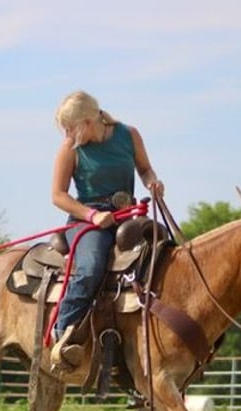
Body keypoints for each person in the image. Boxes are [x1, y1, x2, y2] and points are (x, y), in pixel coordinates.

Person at [49, 90, 165, 370]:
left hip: (128, 216)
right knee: (91, 267)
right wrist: (91, 215)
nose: (66, 133)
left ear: (88, 122)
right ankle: (62, 334)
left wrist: (153, 182)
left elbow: (145, 169)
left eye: (70, 127)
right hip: (86, 221)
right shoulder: (70, 148)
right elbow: (58, 195)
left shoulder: (129, 135)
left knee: (165, 252)